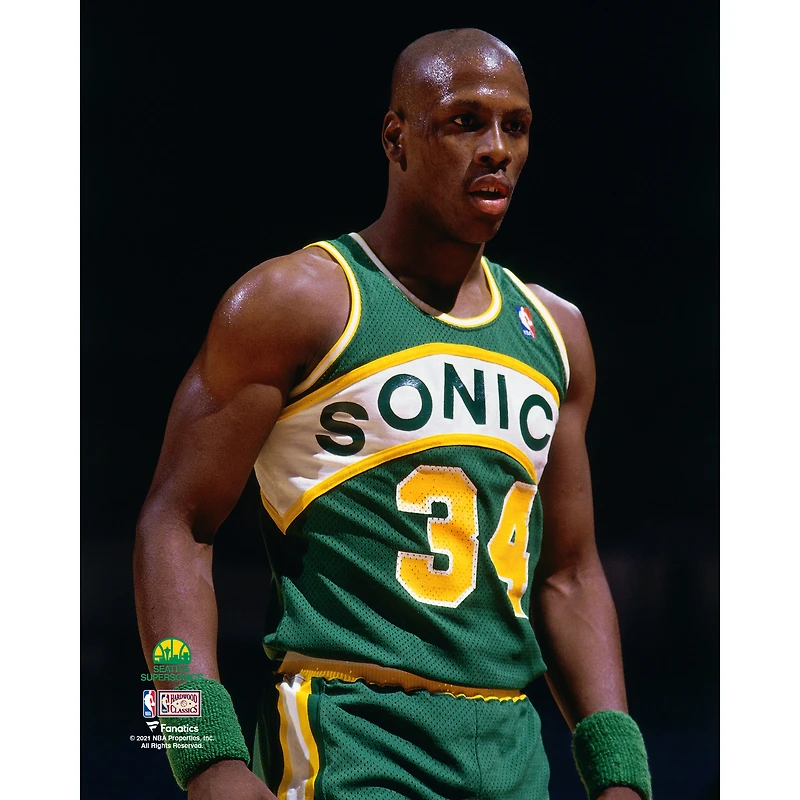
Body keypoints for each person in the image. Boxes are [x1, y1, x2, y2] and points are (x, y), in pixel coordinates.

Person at [134, 27, 651, 800]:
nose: (497, 148)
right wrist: (200, 751)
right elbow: (173, 525)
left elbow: (569, 575)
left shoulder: (556, 331)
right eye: (465, 121)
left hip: (515, 754)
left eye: (516, 126)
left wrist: (620, 774)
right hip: (351, 741)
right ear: (395, 137)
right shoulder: (295, 301)